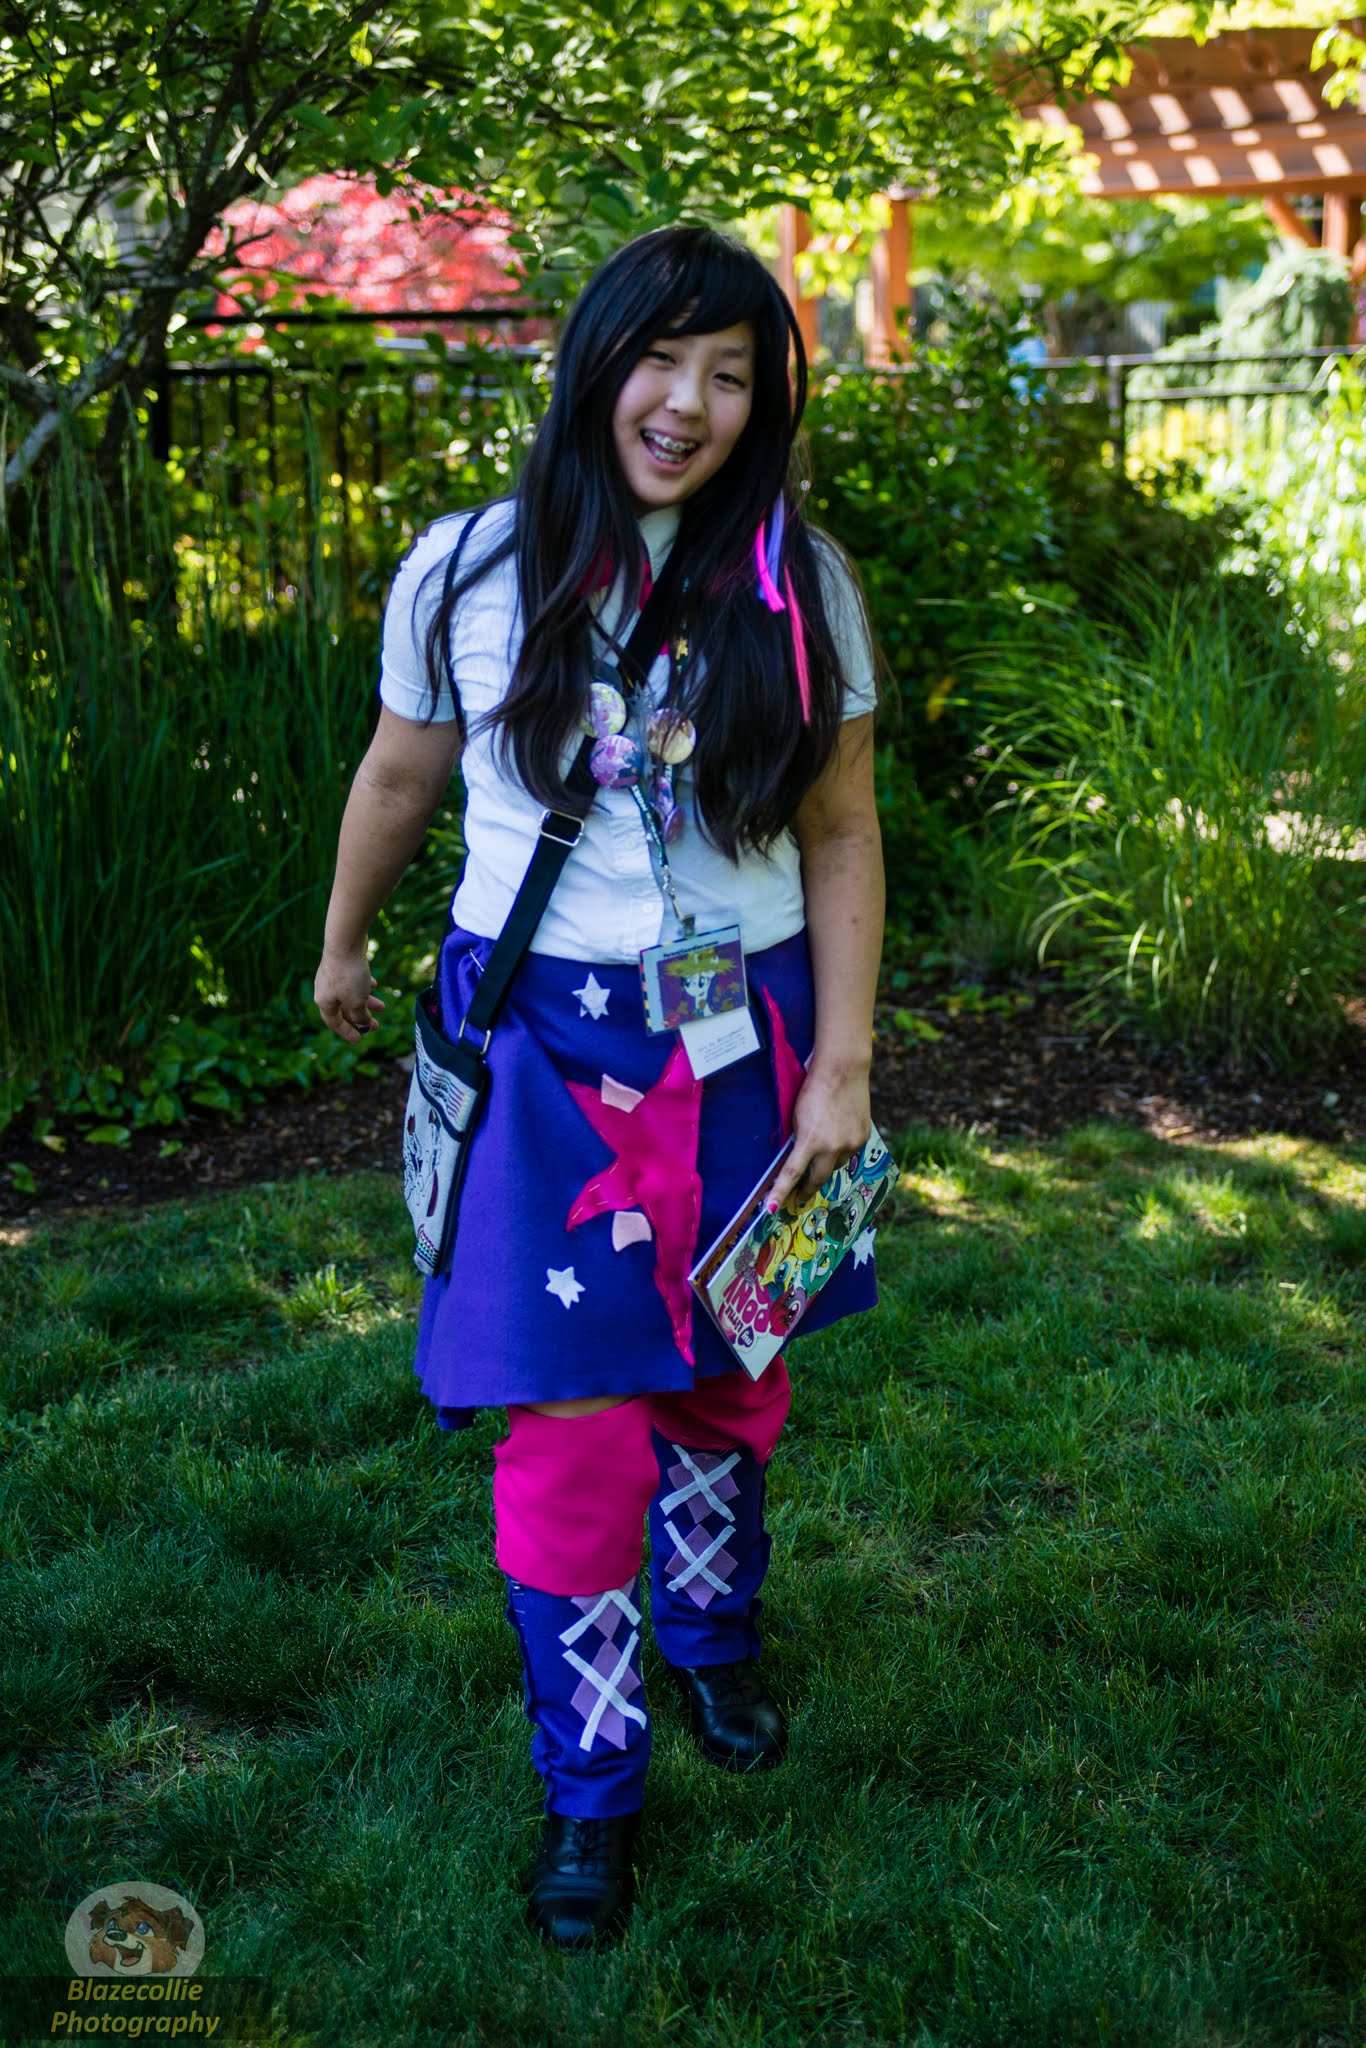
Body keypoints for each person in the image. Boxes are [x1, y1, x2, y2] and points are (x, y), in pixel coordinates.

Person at [315, 225, 885, 1950]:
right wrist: (342, 944)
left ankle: (710, 1640)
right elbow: (401, 774)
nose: (688, 404)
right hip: (543, 1047)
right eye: (661, 359)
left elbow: (840, 830)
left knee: (729, 1375)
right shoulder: (466, 568)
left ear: (766, 405)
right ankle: (592, 1783)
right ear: (592, 363)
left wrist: (843, 1068)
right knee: (569, 1426)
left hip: (747, 1033)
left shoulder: (800, 580)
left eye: (732, 375)